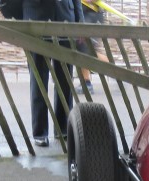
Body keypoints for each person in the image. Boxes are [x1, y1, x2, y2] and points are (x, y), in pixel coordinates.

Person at [23, 0, 84, 147]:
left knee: (65, 81)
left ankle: (63, 129)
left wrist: (80, 22)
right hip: (37, 19)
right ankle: (40, 132)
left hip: (65, 19)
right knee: (38, 81)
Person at [76, 0, 110, 94]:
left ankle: (87, 83)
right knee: (83, 50)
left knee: (85, 50)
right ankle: (86, 82)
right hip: (84, 13)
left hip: (92, 15)